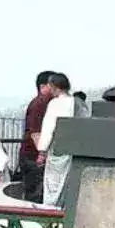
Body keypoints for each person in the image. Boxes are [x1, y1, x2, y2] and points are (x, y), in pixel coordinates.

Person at [37, 72, 75, 206]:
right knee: (66, 182)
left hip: (56, 148)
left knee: (52, 183)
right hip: (72, 149)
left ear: (54, 86)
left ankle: (50, 210)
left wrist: (42, 151)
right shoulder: (76, 102)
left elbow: (48, 128)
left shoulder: (55, 103)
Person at [20, 70, 55, 202]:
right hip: (33, 158)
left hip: (34, 156)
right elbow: (36, 132)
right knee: (36, 195)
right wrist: (42, 154)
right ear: (43, 86)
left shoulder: (45, 103)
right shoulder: (40, 103)